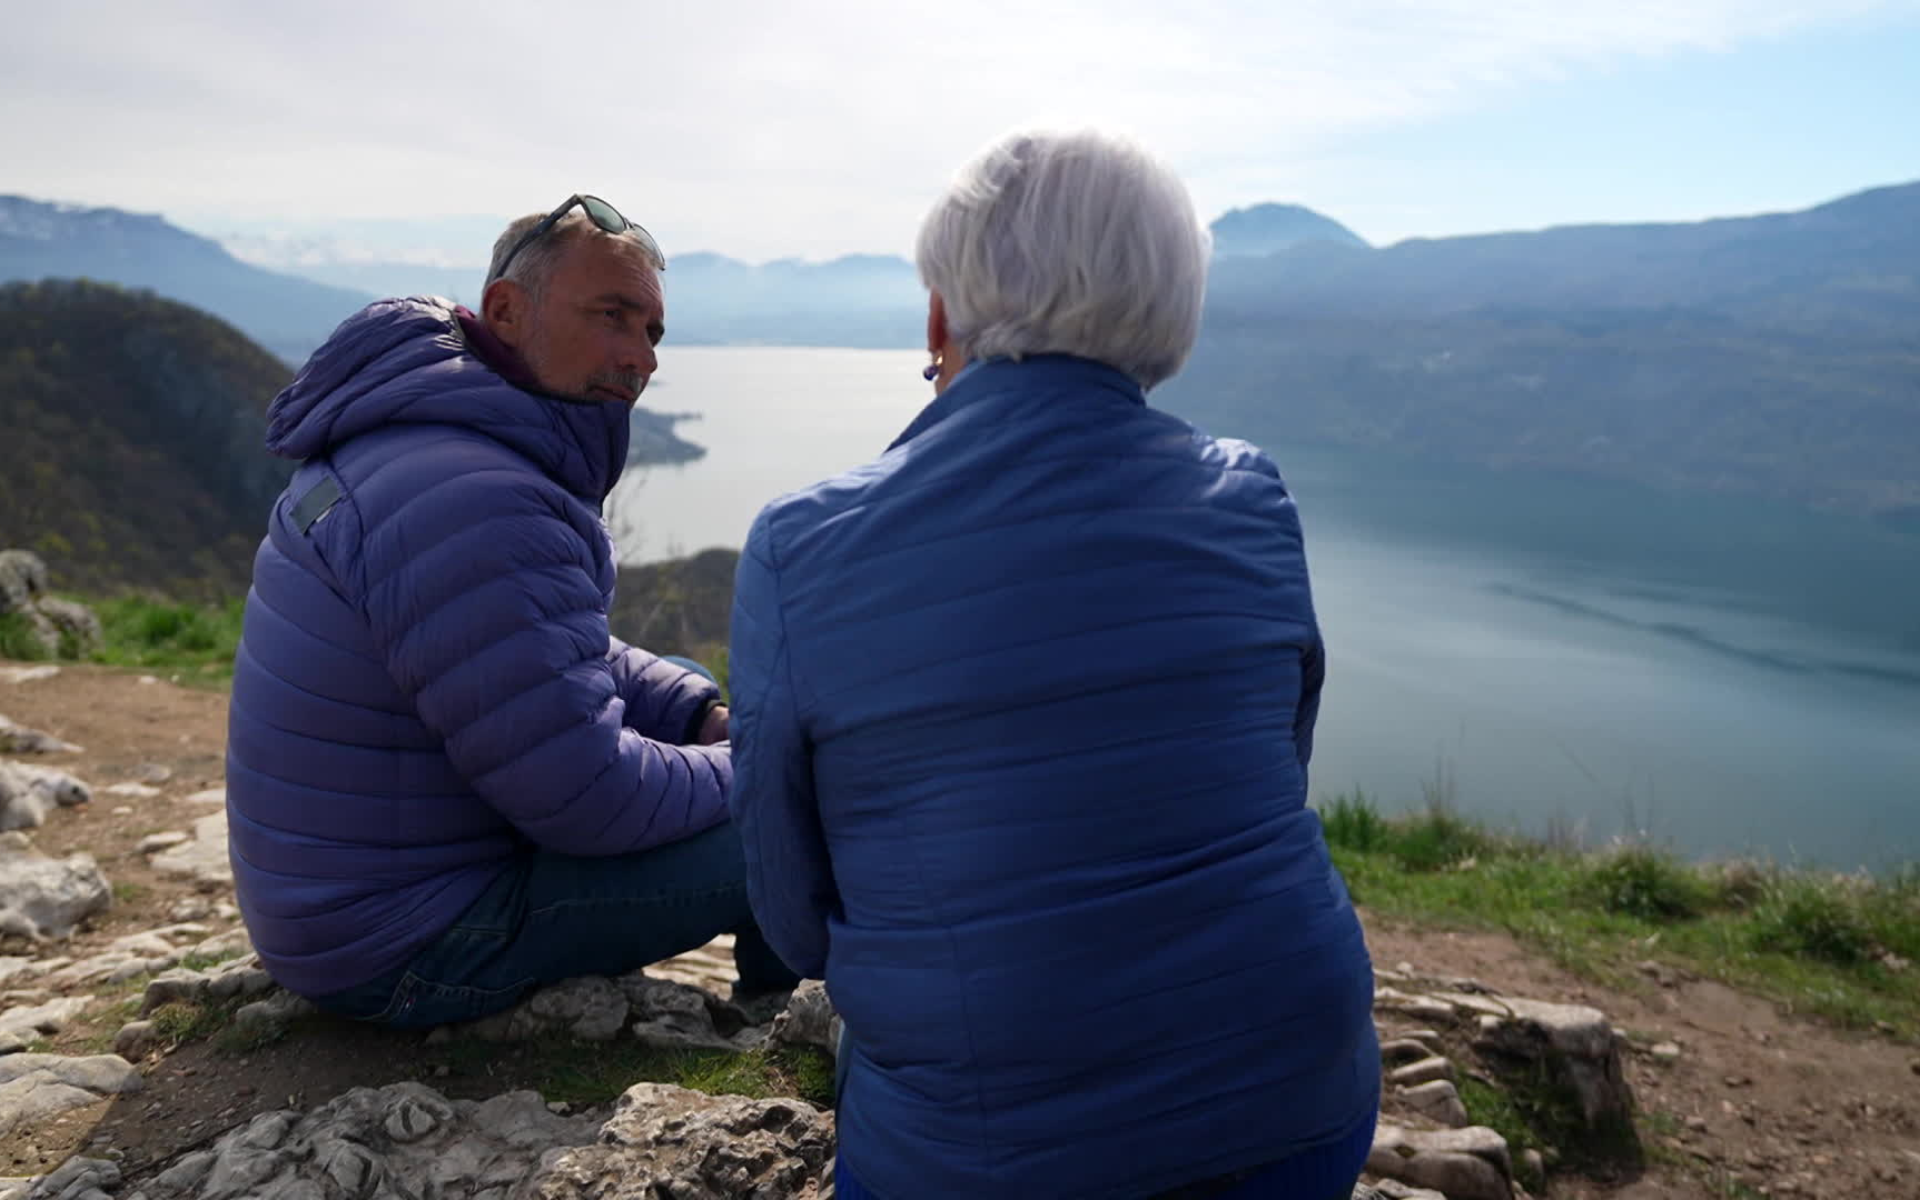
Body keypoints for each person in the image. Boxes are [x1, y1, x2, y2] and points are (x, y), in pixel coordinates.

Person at [727, 132, 1381, 1199]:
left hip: (988, 1160)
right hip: (1303, 1109)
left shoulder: (803, 548)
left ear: (940, 317)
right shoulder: (1250, 498)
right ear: (1171, 313)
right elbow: (1278, 766)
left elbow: (794, 920)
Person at [226, 193, 799, 1029]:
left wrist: (700, 716)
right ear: (504, 309)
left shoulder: (430, 434)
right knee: (803, 805)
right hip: (409, 946)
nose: (639, 357)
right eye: (612, 315)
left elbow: (541, 648)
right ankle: (778, 1018)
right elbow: (592, 796)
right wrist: (766, 763)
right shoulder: (477, 498)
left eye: (651, 331)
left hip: (345, 898)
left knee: (686, 684)